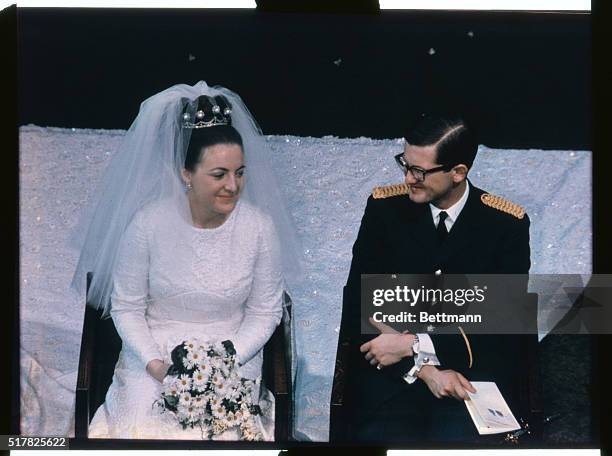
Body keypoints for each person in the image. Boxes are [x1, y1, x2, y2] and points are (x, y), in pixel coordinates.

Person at [70, 82, 302, 440]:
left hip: (235, 350)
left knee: (223, 433)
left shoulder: (259, 227)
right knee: (147, 430)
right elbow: (127, 307)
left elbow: (265, 312)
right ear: (186, 174)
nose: (233, 186)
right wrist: (156, 364)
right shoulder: (147, 223)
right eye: (218, 175)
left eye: (239, 173)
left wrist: (224, 360)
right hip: (154, 350)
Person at [336, 114, 534, 443]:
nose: (408, 178)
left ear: (458, 172)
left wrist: (416, 342)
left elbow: (501, 323)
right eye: (405, 164)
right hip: (393, 376)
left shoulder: (506, 226)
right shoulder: (384, 211)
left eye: (420, 171)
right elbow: (359, 301)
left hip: (468, 377)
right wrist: (425, 371)